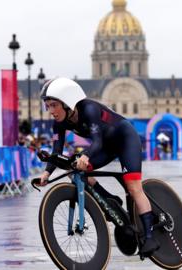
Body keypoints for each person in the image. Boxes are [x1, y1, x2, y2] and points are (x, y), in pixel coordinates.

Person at [37, 77, 160, 256]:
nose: (51, 111)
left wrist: (86, 155)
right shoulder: (59, 123)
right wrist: (46, 173)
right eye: (48, 106)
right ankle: (110, 199)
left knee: (133, 187)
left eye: (54, 105)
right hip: (105, 147)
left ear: (66, 102)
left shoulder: (89, 109)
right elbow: (57, 150)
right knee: (73, 169)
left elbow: (97, 140)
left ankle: (149, 237)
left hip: (125, 140)